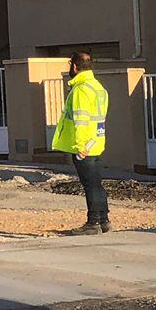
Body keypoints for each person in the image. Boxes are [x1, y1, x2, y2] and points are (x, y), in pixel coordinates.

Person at [51, 52, 110, 235]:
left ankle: (93, 223)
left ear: (75, 66)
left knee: (90, 184)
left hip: (84, 145)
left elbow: (81, 120)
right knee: (96, 183)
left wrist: (80, 146)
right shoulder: (97, 87)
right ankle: (104, 221)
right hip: (97, 141)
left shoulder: (80, 89)